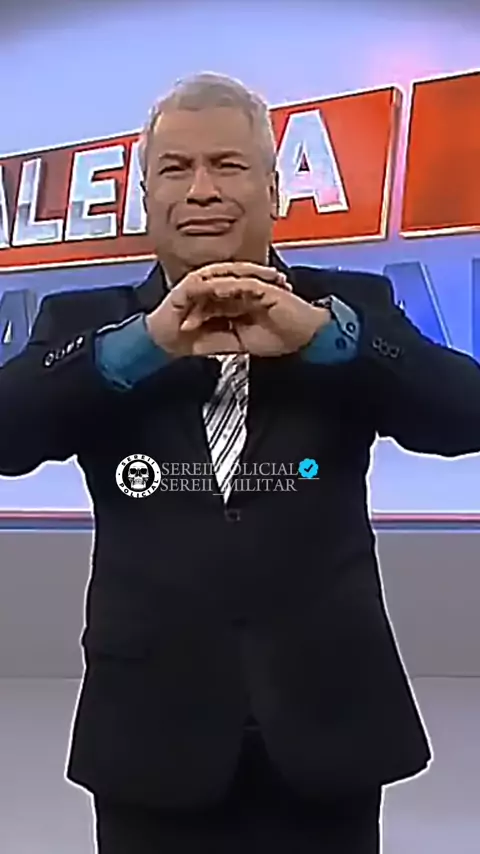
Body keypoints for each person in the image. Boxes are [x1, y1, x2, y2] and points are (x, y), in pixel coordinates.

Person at [0, 72, 479, 854]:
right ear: (147, 196)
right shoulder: (85, 323)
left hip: (327, 726)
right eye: (176, 168)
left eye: (227, 165)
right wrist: (142, 346)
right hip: (151, 731)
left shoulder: (351, 308)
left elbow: (463, 414)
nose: (202, 190)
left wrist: (326, 340)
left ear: (274, 187)